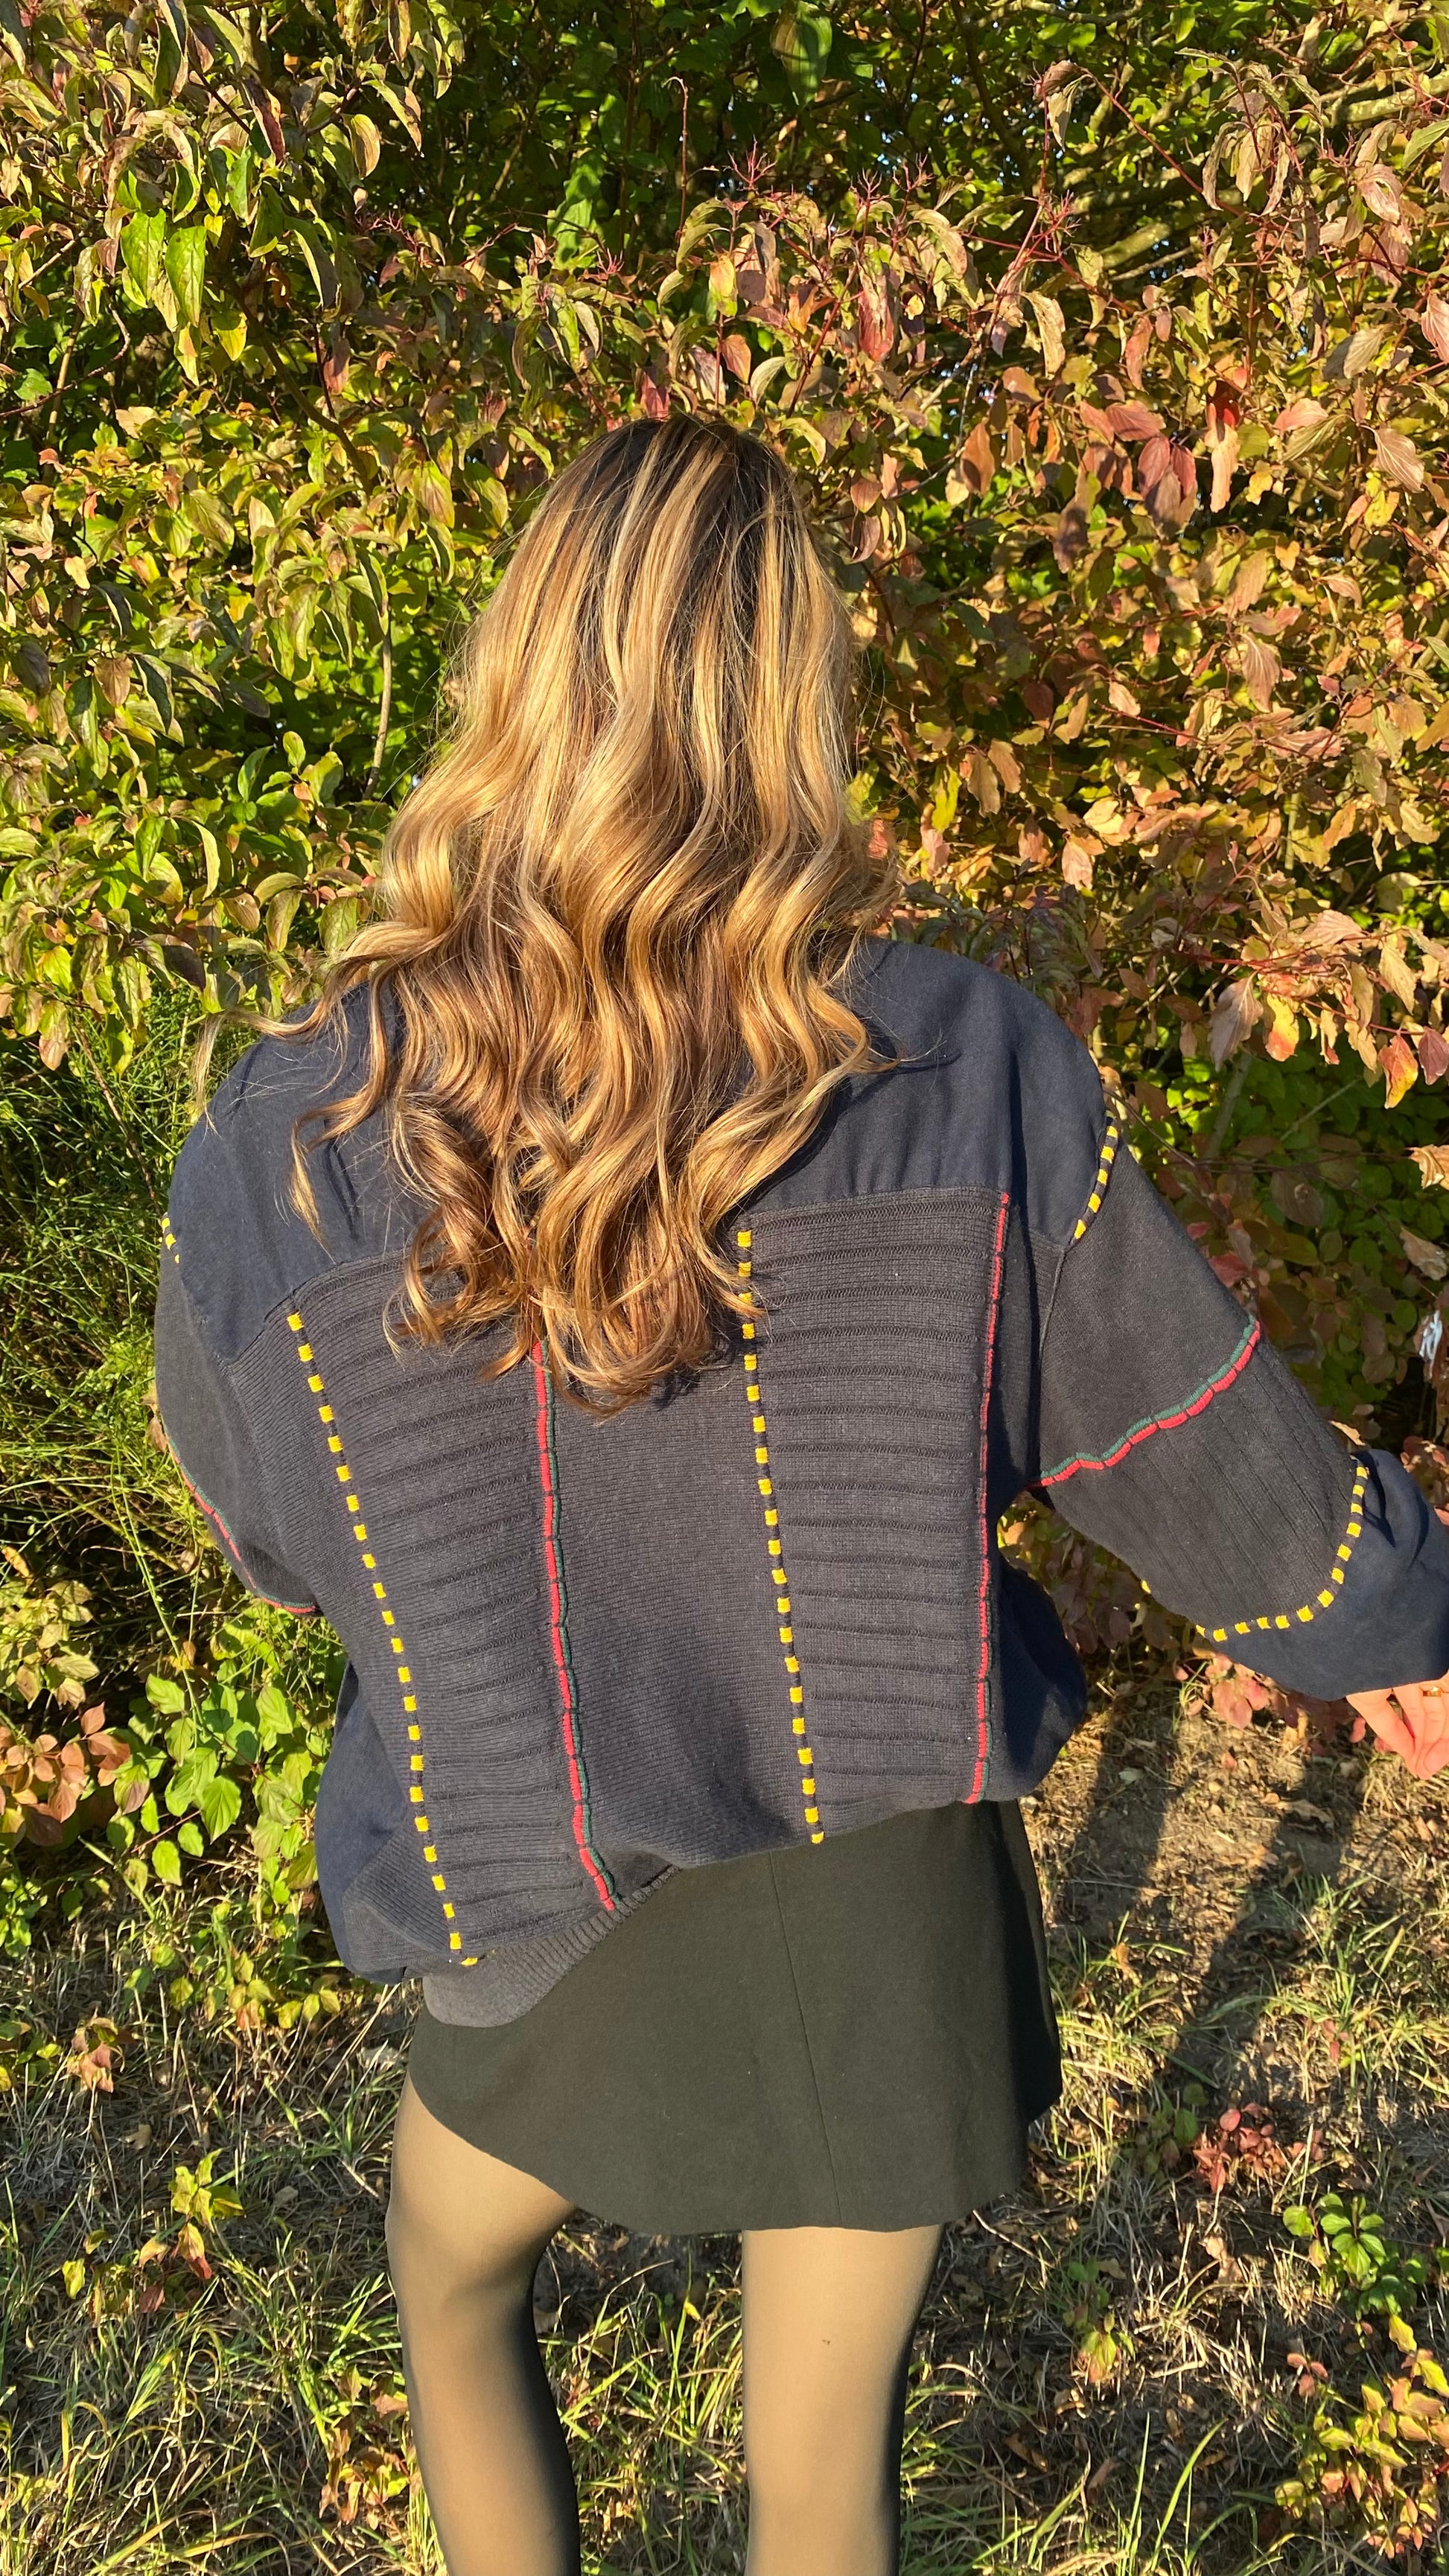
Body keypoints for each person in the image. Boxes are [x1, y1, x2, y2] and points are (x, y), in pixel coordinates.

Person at [152, 414, 1449, 2576]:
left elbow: (275, 1531)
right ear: (793, 695)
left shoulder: (294, 1132)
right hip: (876, 1886)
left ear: (512, 674)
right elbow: (1183, 1439)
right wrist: (1392, 1617)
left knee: (450, 2278)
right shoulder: (958, 1062)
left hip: (524, 1856)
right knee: (820, 2470)